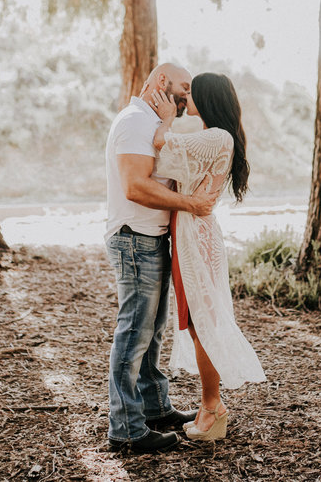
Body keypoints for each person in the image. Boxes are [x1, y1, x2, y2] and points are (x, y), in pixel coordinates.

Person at [104, 63, 219, 454]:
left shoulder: (151, 124)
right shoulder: (135, 122)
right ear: (159, 83)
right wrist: (192, 203)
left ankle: (153, 409)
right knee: (135, 332)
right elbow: (135, 187)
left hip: (150, 239)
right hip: (134, 238)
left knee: (151, 331)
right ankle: (126, 429)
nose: (188, 97)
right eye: (183, 88)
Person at [149, 72, 266, 442]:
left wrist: (166, 119)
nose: (186, 95)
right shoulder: (216, 137)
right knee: (199, 319)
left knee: (201, 320)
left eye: (192, 91)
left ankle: (212, 407)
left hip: (194, 236)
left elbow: (161, 151)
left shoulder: (216, 136)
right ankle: (209, 406)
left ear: (208, 98)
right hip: (195, 231)